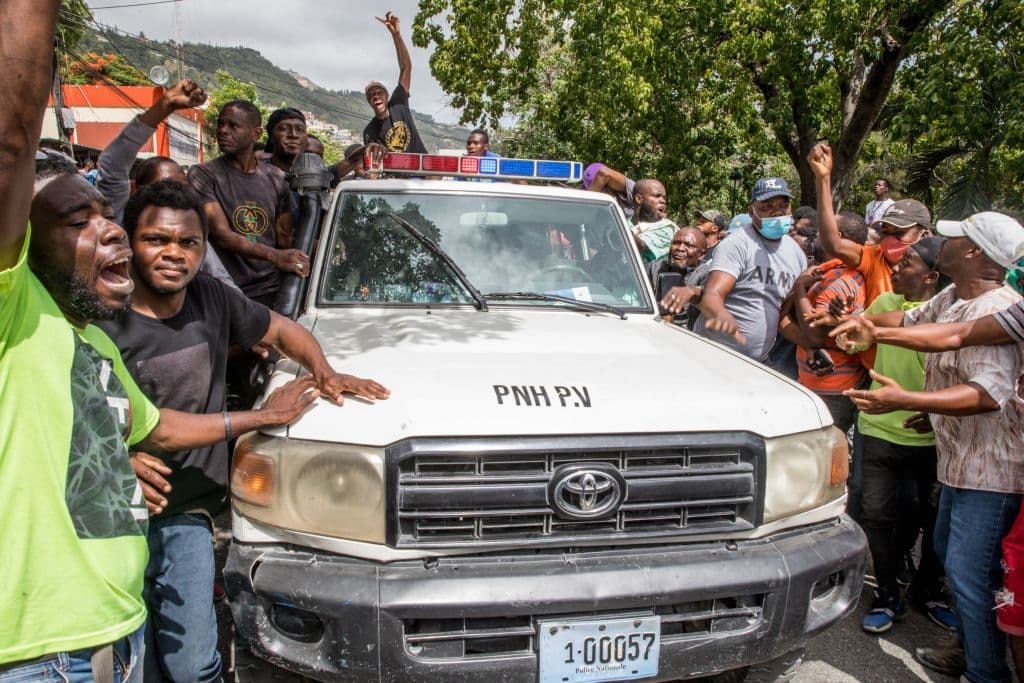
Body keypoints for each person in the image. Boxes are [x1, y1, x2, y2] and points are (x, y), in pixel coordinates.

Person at [0, 10, 314, 675]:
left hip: (108, 630)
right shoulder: (15, 309)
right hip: (39, 655)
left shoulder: (93, 342)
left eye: (107, 217)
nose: (111, 230)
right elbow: (12, 140)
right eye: (81, 221)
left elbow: (157, 427)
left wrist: (275, 406)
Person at [99, 180, 390, 682]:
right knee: (132, 661)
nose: (173, 253)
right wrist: (261, 417)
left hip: (188, 510)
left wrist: (323, 370)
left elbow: (282, 329)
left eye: (188, 242)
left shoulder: (211, 297)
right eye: (156, 240)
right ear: (129, 241)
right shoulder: (103, 319)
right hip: (114, 513)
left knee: (193, 665)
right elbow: (150, 427)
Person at [838, 213, 1024, 682]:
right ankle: (970, 648)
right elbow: (908, 319)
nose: (943, 242)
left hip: (993, 473)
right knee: (950, 556)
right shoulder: (955, 296)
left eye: (956, 237)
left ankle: (986, 673)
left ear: (974, 252)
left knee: (971, 574)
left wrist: (908, 399)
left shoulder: (997, 309)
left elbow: (987, 394)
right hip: (960, 463)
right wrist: (859, 321)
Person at [838, 238, 950, 635]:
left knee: (930, 522)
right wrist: (844, 328)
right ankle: (886, 595)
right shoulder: (885, 304)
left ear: (932, 276)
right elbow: (856, 337)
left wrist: (935, 412)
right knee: (877, 516)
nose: (896, 269)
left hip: (931, 439)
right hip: (878, 431)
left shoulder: (955, 316)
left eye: (908, 263)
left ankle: (926, 591)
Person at [189, 100, 306, 306]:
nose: (223, 131)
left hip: (270, 289)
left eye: (233, 126)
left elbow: (284, 239)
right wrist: (274, 256)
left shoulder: (277, 178)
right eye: (221, 124)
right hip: (225, 290)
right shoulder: (203, 174)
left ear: (256, 133)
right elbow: (222, 235)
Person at [694, 177, 806, 367]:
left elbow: (784, 314)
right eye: (767, 206)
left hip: (757, 363)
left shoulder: (796, 253)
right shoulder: (738, 243)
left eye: (783, 205)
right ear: (751, 211)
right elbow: (712, 295)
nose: (777, 211)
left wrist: (810, 346)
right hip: (713, 355)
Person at [778, 212, 869, 431]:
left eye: (822, 232)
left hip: (830, 390)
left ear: (836, 237)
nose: (816, 235)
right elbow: (787, 323)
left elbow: (815, 337)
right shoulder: (825, 273)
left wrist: (800, 288)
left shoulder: (837, 282)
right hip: (819, 384)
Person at [810, 144, 931, 306]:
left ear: (924, 234)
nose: (890, 239)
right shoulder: (874, 257)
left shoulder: (940, 269)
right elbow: (834, 245)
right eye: (885, 231)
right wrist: (823, 179)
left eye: (899, 233)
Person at [363, 12, 428, 154]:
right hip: (396, 169)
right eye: (371, 95)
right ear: (369, 101)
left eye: (379, 93)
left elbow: (406, 67)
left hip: (421, 166)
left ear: (387, 96)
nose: (376, 96)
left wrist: (396, 35)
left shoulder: (399, 104)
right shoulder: (369, 132)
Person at [648, 226, 707, 324]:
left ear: (701, 254)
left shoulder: (708, 275)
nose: (680, 248)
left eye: (689, 245)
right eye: (676, 243)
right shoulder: (654, 268)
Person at [264, 107, 308, 174]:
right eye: (284, 129)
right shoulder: (256, 174)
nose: (294, 135)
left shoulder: (318, 176)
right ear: (271, 136)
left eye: (300, 129)